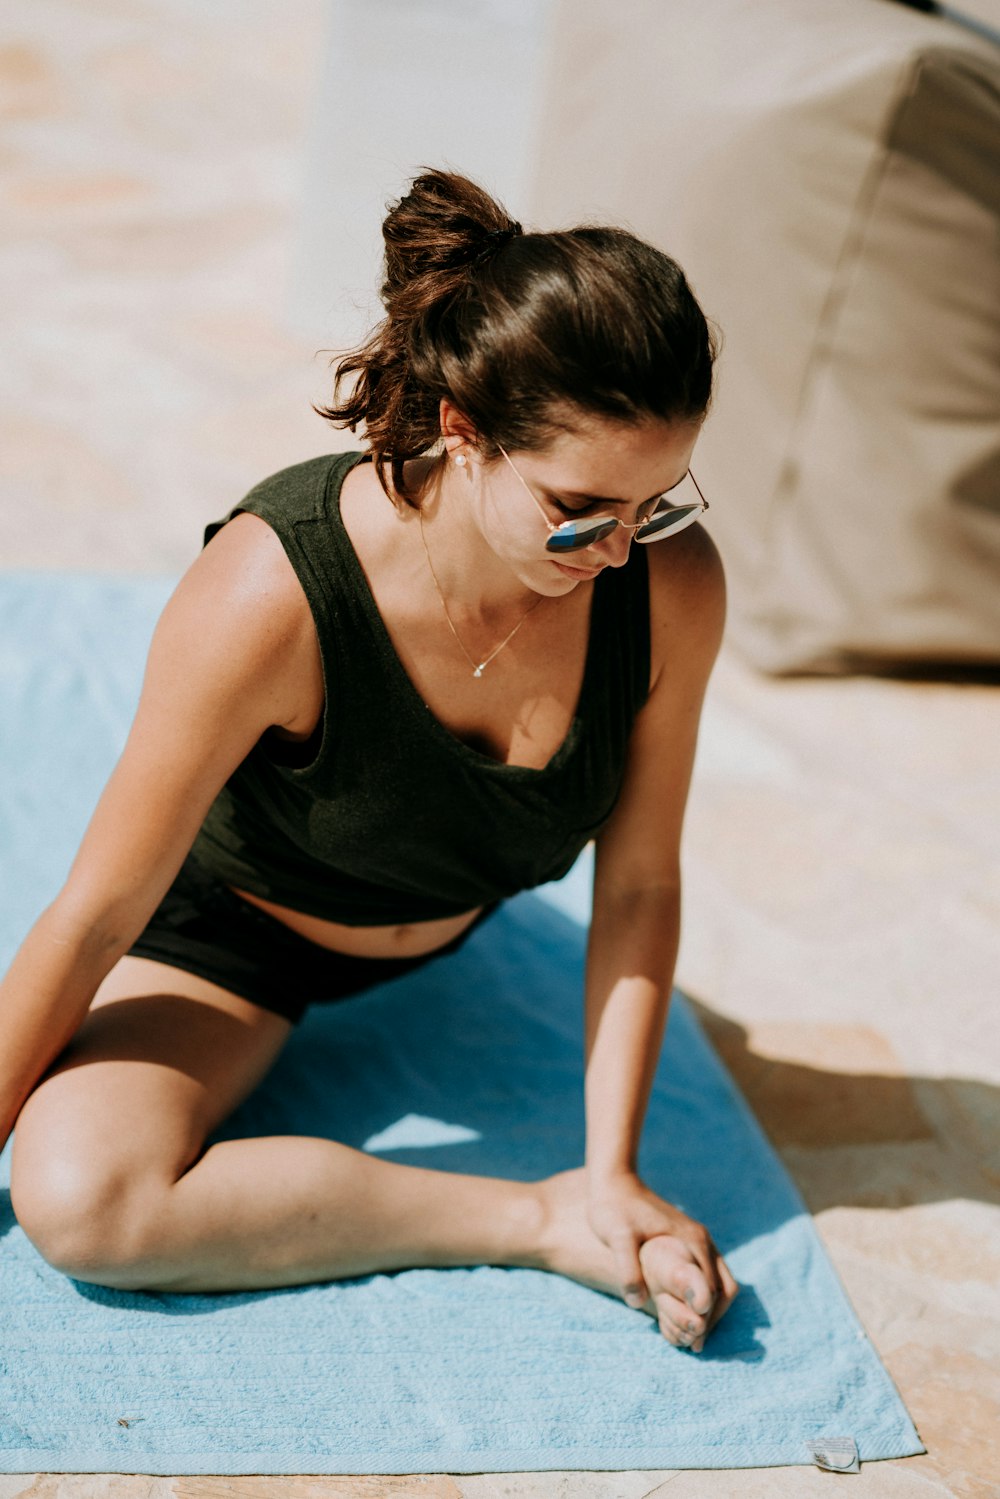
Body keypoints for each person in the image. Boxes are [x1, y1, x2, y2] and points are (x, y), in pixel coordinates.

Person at [2, 169, 737, 1351]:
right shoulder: (270, 591)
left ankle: (576, 1204)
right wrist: (561, 1207)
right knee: (88, 1204)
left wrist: (615, 1169)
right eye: (578, 507)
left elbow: (642, 878)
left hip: (449, 915)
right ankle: (526, 1220)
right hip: (238, 932)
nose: (617, 551)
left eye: (654, 504)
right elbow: (96, 910)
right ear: (462, 429)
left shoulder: (668, 585)